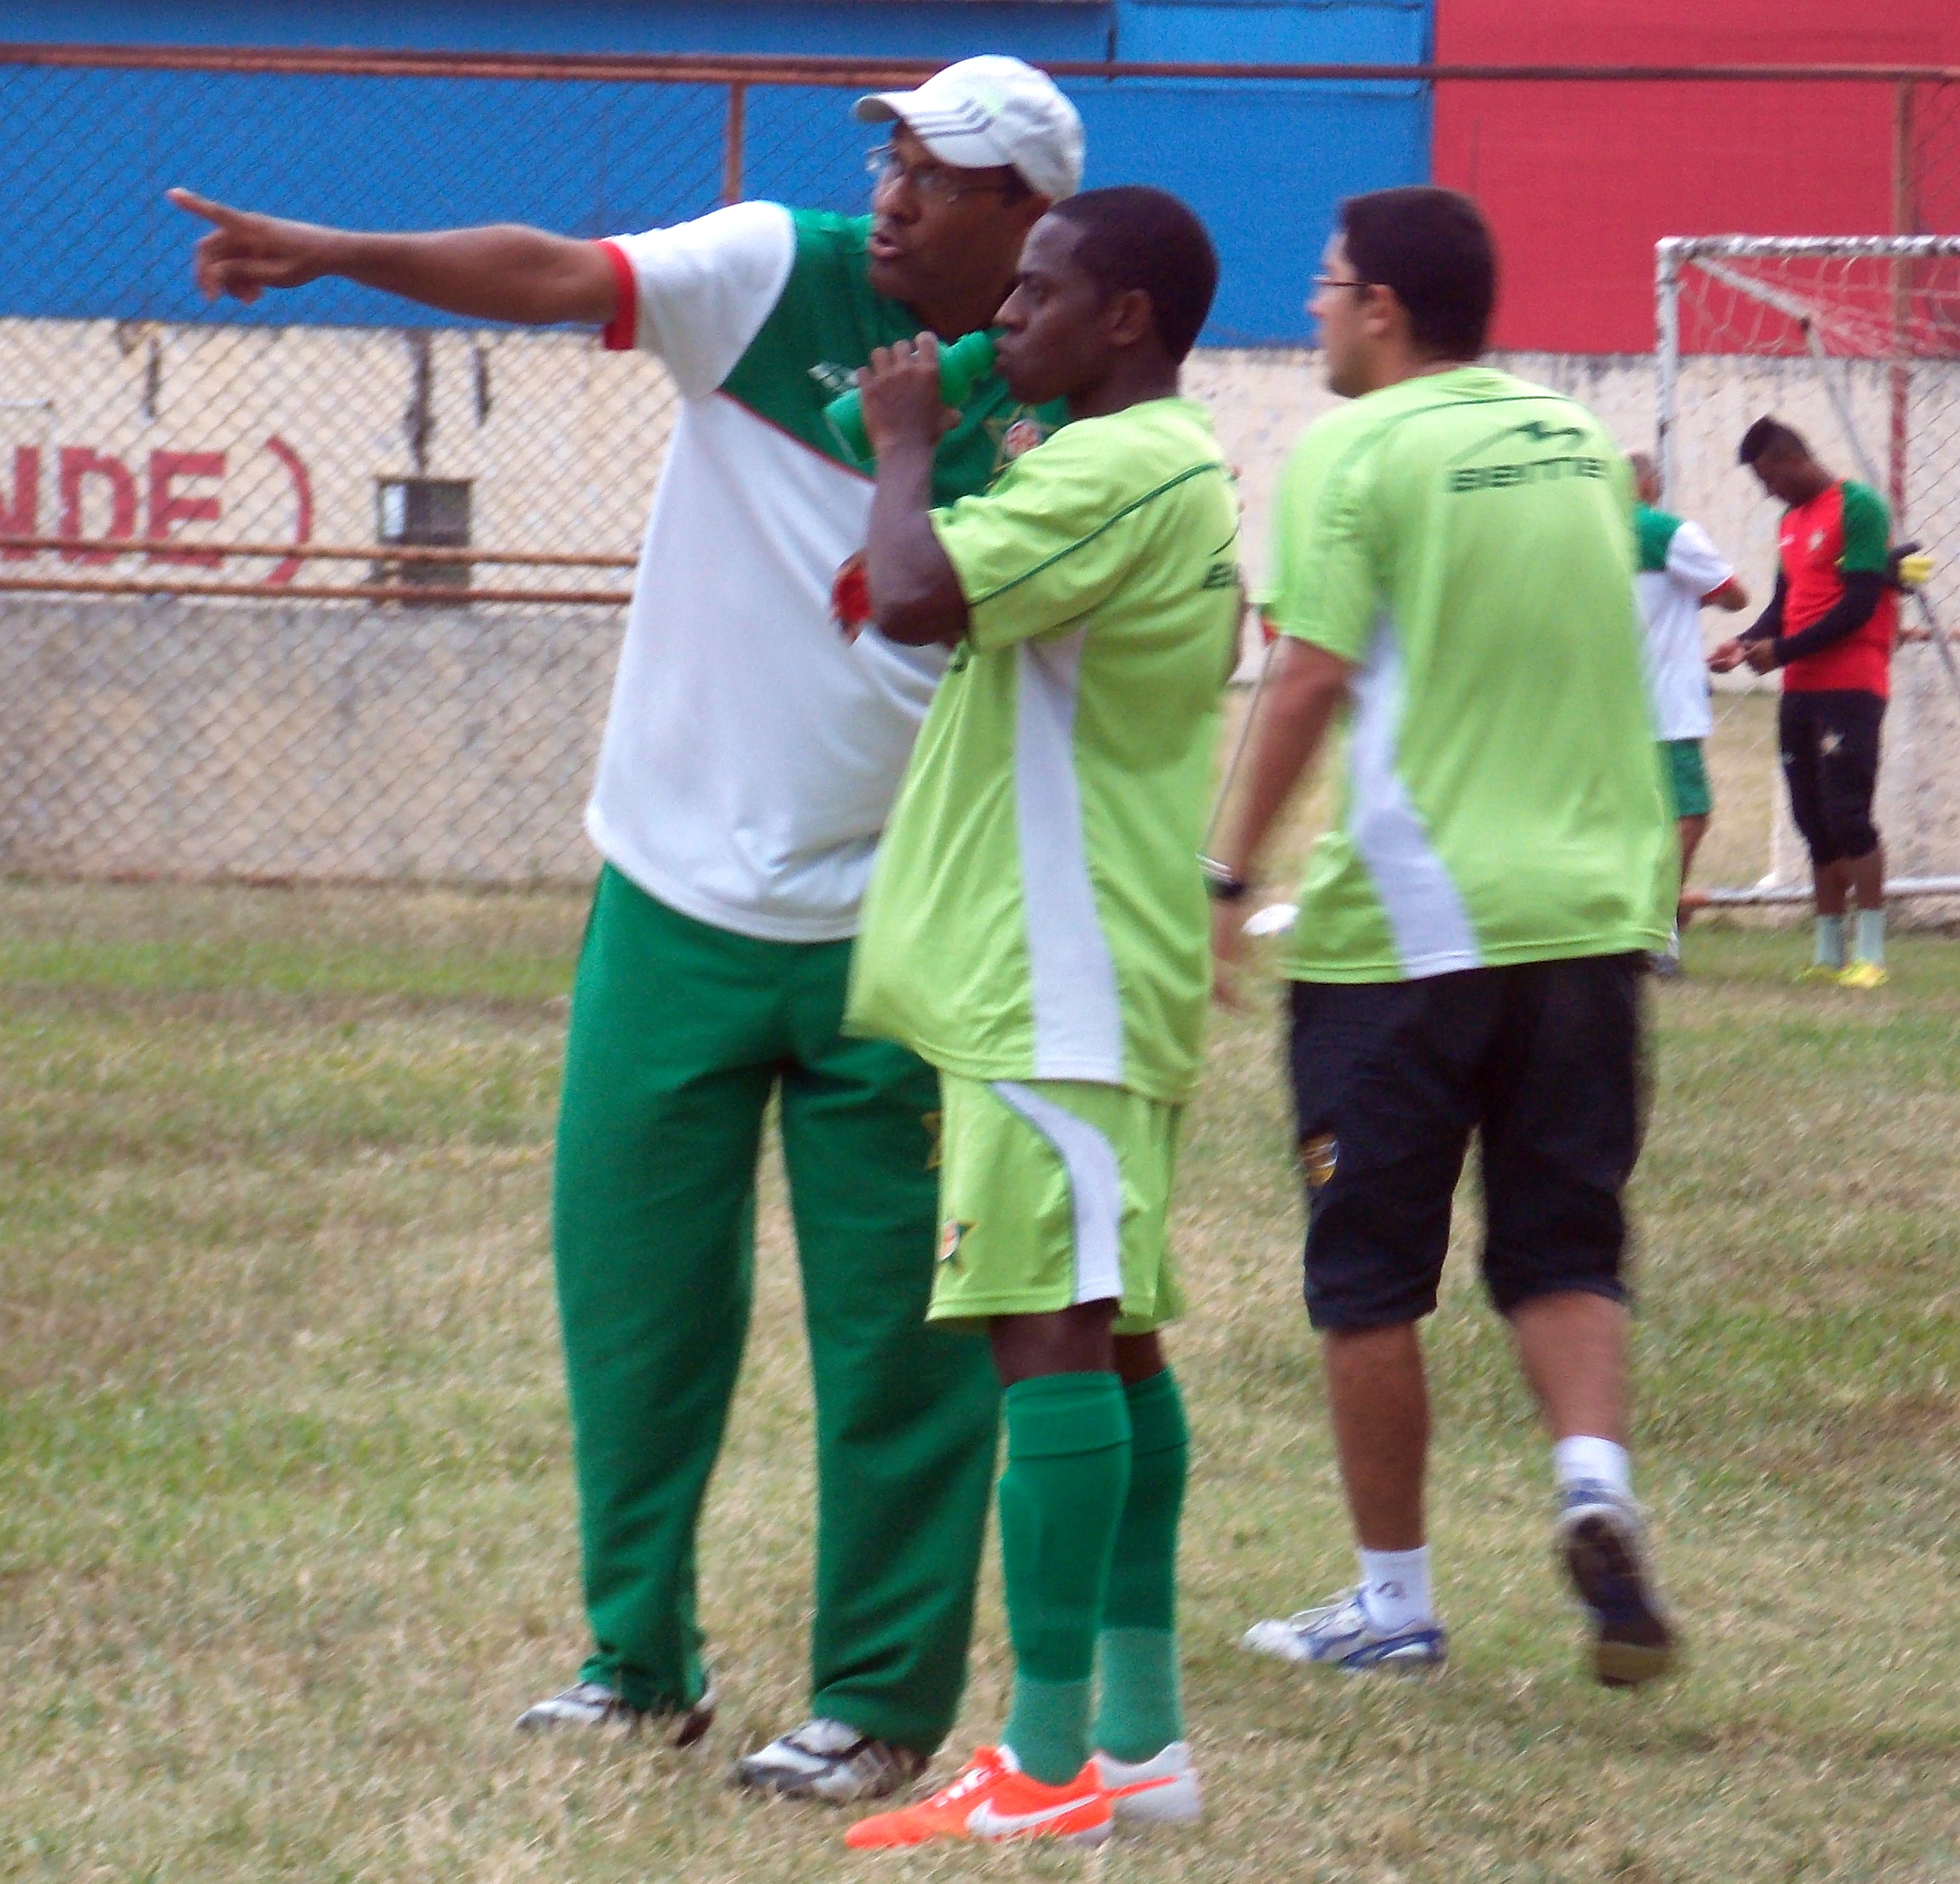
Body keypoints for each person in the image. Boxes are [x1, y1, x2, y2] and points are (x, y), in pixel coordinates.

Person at [169, 57, 1087, 1804]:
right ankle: (633, 1661)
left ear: (1027, 218)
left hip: (909, 922)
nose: (892, 188)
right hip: (671, 890)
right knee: (634, 1301)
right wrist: (334, 249)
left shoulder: (1072, 399)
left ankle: (873, 1697)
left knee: (901, 1331)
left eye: (941, 170)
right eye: (889, 151)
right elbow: (550, 270)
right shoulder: (770, 268)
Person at [1211, 186, 1679, 1691]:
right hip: (1593, 914)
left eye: (1326, 282)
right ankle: (1590, 1485)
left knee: (1367, 1275)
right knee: (1560, 1241)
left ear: (1384, 310)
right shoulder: (1576, 448)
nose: (1310, 304)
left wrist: (1223, 876)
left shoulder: (1354, 447)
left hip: (1409, 933)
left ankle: (1393, 1603)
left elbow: (1305, 680)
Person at [831, 185, 1234, 1850]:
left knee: (1048, 1337)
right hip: (1081, 971)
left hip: (1048, 981)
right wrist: (972, 425)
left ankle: (1047, 1759)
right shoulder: (1145, 465)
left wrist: (910, 442)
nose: (1003, 321)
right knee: (1114, 1337)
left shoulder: (1120, 467)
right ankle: (1134, 1743)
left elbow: (912, 594)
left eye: (1034, 299)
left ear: (1123, 318)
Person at [1708, 418, 1899, 989]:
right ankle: (1828, 952)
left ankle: (1872, 952)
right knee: (1811, 819)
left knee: (1848, 814)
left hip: (1851, 686)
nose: (1767, 491)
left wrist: (1783, 649)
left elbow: (1860, 604)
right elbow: (1785, 605)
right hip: (1801, 692)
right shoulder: (1790, 523)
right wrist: (1745, 644)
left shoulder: (1859, 507)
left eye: (1768, 478)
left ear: (1791, 459)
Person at [1628, 450, 1749, 974]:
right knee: (1687, 815)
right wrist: (1696, 595)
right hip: (1665, 706)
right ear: (1651, 485)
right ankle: (1659, 934)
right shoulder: (1665, 532)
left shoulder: (1584, 531)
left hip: (1604, 705)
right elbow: (1735, 594)